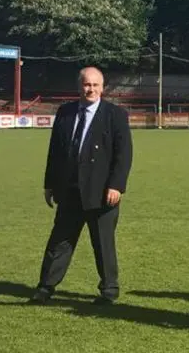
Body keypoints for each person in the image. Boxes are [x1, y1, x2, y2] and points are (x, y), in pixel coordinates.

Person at [30, 67, 133, 305]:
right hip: (69, 190)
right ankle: (45, 287)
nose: (91, 89)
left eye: (96, 85)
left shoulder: (115, 114)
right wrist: (49, 184)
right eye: (87, 85)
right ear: (79, 86)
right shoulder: (65, 113)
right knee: (59, 242)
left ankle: (109, 290)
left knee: (103, 244)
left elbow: (124, 154)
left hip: (102, 193)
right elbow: (55, 151)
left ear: (102, 88)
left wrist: (117, 185)